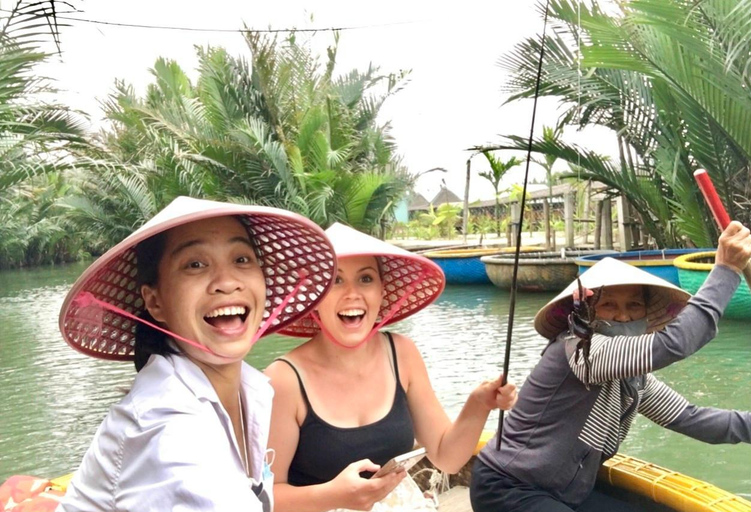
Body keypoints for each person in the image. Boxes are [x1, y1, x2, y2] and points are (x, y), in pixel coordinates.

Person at [56, 196, 337, 512]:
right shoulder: (164, 425)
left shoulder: (249, 388)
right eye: (195, 264)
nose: (227, 282)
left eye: (242, 259)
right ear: (155, 302)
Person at [470, 221, 751, 512]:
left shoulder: (633, 377)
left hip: (567, 493)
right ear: (585, 312)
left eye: (634, 306)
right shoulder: (580, 351)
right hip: (509, 488)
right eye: (609, 305)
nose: (624, 317)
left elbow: (694, 419)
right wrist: (726, 270)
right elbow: (675, 343)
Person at [265, 223, 518, 512]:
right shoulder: (283, 380)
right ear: (314, 296)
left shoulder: (401, 353)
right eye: (335, 280)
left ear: (382, 292)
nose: (352, 294)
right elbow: (264, 497)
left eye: (366, 279)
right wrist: (333, 495)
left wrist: (479, 403)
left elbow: (446, 456)